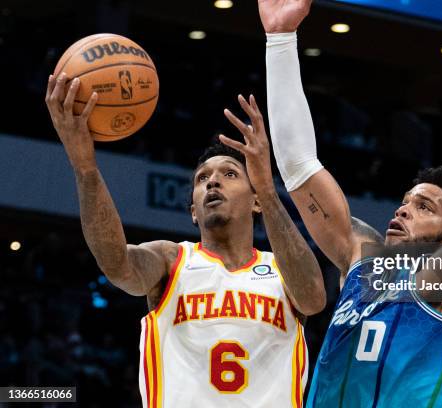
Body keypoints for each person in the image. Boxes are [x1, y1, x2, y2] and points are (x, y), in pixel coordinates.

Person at [257, 0, 442, 406]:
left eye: (424, 207)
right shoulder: (362, 259)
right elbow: (298, 168)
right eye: (405, 202)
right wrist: (280, 40)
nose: (402, 211)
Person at [45, 72, 325, 407]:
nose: (213, 183)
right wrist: (85, 167)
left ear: (255, 202)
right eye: (203, 178)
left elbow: (312, 299)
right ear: (193, 210)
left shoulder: (282, 268)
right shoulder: (171, 260)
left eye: (230, 174)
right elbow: (117, 266)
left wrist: (267, 188)